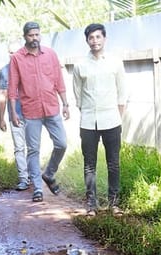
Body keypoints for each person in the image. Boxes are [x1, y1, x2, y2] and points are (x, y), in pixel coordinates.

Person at [7, 21, 70, 203]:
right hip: (31, 111)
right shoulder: (17, 58)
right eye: (31, 35)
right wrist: (13, 113)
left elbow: (59, 81)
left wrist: (65, 103)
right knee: (33, 150)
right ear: (25, 36)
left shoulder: (50, 54)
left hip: (51, 107)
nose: (34, 38)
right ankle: (37, 188)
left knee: (62, 143)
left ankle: (49, 173)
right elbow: (12, 87)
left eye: (37, 34)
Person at [71, 23, 127, 213]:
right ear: (87, 41)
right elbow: (78, 95)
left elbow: (122, 93)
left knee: (114, 164)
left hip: (112, 120)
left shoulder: (115, 63)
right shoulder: (80, 65)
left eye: (98, 37)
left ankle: (114, 203)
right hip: (88, 122)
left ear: (104, 38)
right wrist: (87, 111)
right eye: (91, 38)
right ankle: (91, 205)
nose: (95, 41)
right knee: (89, 166)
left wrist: (118, 117)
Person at [0, 50, 30, 191]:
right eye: (11, 52)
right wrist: (1, 119)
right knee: (19, 148)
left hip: (32, 114)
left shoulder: (29, 66)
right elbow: (2, 95)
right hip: (15, 116)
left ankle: (33, 175)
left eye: (16, 51)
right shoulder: (4, 71)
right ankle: (24, 179)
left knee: (33, 147)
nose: (13, 54)